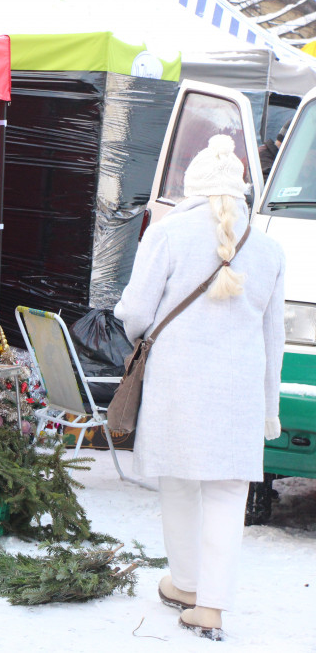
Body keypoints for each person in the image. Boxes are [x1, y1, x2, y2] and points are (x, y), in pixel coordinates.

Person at [115, 134, 286, 640]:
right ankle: (210, 605)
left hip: (178, 387)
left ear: (192, 184)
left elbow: (137, 314)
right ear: (240, 187)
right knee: (228, 494)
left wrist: (132, 327)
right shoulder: (271, 249)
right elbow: (273, 339)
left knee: (180, 481)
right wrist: (269, 409)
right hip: (239, 393)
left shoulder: (167, 234)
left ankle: (186, 584)